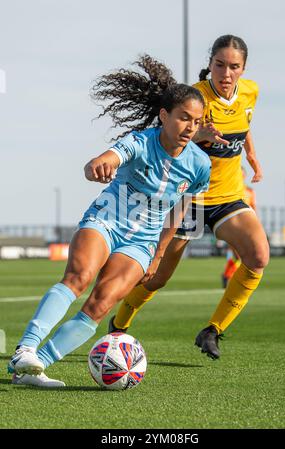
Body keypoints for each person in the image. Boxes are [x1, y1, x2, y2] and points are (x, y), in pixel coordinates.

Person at [8, 55, 211, 387]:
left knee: (101, 304)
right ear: (164, 116)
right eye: (183, 118)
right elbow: (108, 158)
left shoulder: (200, 165)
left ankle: (33, 369)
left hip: (142, 242)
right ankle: (25, 350)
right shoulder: (140, 141)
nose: (190, 127)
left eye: (196, 121)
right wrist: (96, 165)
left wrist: (158, 255)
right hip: (106, 221)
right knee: (79, 276)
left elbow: (180, 209)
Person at [109, 35, 270, 360]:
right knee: (156, 278)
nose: (226, 73)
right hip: (188, 199)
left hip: (228, 196)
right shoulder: (197, 99)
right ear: (210, 64)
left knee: (258, 256)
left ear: (244, 68)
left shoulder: (250, 91)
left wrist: (251, 155)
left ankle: (212, 330)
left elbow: (245, 122)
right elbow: (165, 138)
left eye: (234, 67)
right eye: (220, 65)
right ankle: (119, 325)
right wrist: (198, 136)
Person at [221, 166, 257, 288]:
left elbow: (253, 208)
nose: (240, 176)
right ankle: (229, 276)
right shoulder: (229, 190)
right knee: (237, 254)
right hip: (232, 226)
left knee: (242, 255)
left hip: (246, 227)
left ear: (244, 176)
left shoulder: (249, 192)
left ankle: (228, 275)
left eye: (242, 174)